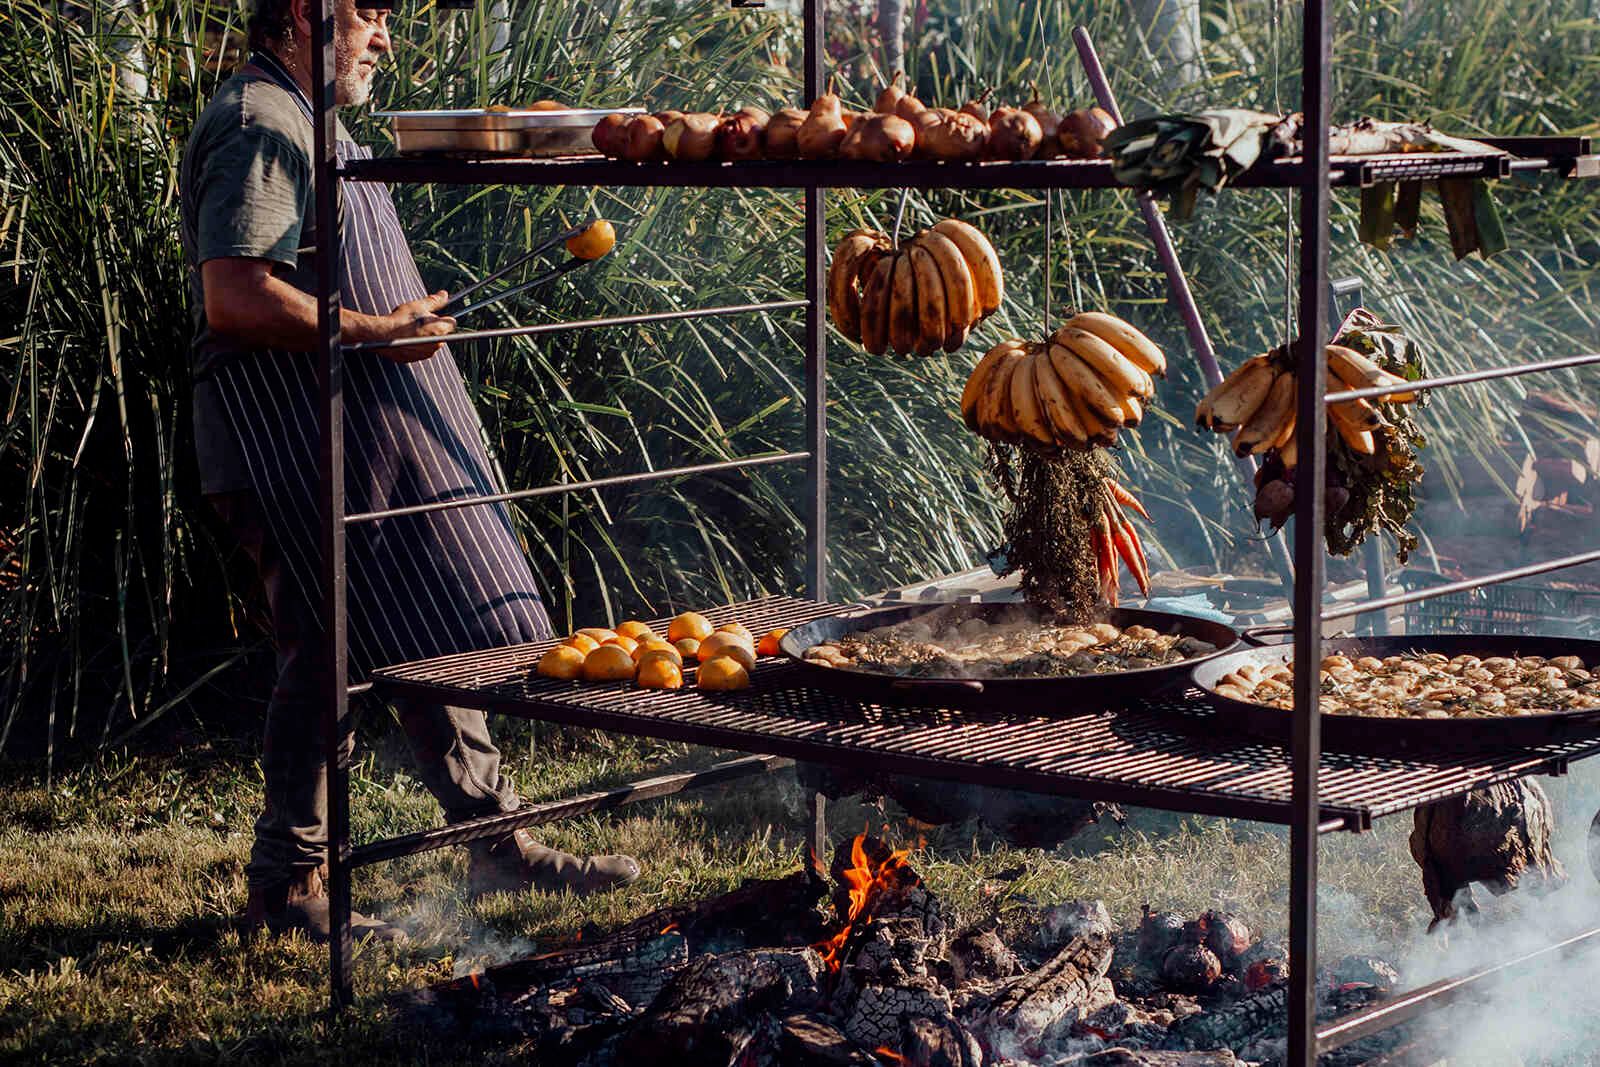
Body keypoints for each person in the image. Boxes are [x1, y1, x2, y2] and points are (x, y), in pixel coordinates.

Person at [178, 0, 640, 943]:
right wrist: (377, 330)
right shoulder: (260, 121)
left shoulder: (311, 116)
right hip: (285, 441)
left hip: (359, 436)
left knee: (423, 618)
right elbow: (235, 294)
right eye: (369, 13)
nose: (386, 37)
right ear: (304, 13)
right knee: (325, 656)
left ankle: (495, 841)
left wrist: (398, 322)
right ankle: (289, 884)